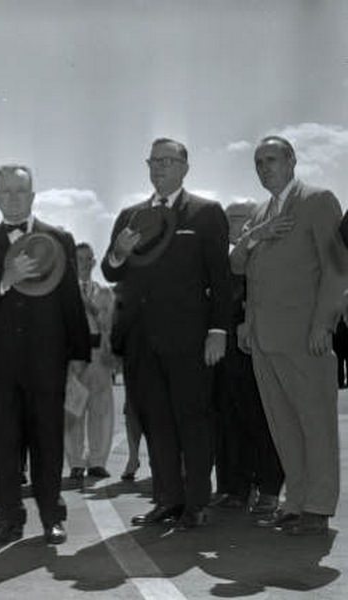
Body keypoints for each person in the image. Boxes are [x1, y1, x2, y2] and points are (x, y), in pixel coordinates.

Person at [0, 163, 90, 546]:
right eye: (6, 192)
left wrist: (79, 355)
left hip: (46, 361)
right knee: (6, 445)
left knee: (49, 441)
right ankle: (8, 519)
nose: (13, 198)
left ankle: (53, 517)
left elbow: (70, 301)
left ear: (32, 196)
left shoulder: (59, 238)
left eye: (21, 191)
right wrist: (4, 281)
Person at [101, 138, 231, 530]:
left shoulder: (206, 213)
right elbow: (111, 272)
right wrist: (119, 253)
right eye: (153, 161)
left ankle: (196, 503)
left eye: (168, 161)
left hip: (191, 339)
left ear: (184, 167)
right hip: (143, 341)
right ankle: (167, 500)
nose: (159, 168)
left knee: (193, 419)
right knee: (157, 422)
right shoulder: (130, 215)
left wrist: (218, 330)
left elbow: (220, 279)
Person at [230, 135, 344, 536]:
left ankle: (318, 506)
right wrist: (256, 235)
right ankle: (295, 502)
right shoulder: (260, 212)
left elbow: (337, 268)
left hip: (304, 335)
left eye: (272, 160)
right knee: (283, 425)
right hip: (262, 339)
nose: (265, 168)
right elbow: (237, 264)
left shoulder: (318, 200)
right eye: (259, 162)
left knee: (316, 424)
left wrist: (323, 324)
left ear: (292, 161)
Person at [211, 202, 284, 514]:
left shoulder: (269, 254)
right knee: (228, 421)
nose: (232, 224)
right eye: (229, 219)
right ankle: (235, 488)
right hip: (224, 352)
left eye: (239, 218)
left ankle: (269, 488)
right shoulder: (219, 261)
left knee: (263, 420)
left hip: (258, 348)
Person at [64, 242, 115, 484]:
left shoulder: (104, 291)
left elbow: (110, 324)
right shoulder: (63, 291)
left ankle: (97, 461)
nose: (84, 263)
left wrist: (111, 352)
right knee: (74, 409)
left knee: (101, 409)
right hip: (74, 356)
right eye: (80, 259)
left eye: (88, 259)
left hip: (98, 354)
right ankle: (75, 462)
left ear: (94, 262)